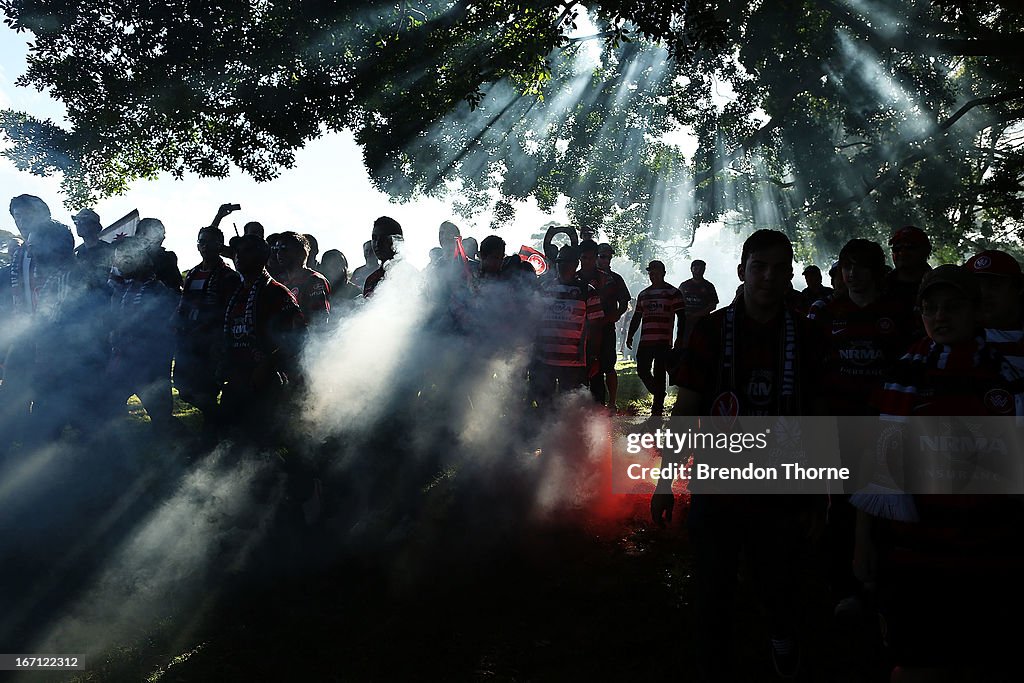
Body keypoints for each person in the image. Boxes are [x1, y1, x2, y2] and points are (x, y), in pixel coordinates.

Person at [658, 230, 822, 681]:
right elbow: (687, 410)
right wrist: (663, 481)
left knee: (780, 583)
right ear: (741, 272)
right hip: (719, 484)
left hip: (784, 484)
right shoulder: (711, 330)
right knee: (714, 587)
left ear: (790, 276)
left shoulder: (807, 335)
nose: (769, 277)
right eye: (759, 267)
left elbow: (816, 415)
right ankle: (712, 661)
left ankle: (783, 644)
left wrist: (818, 495)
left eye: (778, 269)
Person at [851, 264, 1024, 681]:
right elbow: (876, 471)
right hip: (915, 557)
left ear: (976, 311)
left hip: (990, 553)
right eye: (930, 309)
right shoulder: (903, 377)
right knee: (916, 664)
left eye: (952, 307)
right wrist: (862, 546)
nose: (940, 317)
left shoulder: (1007, 379)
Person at [219, 236, 306, 442]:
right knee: (227, 438)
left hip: (266, 382)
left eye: (247, 250)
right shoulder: (237, 292)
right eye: (237, 251)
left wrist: (267, 365)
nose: (239, 256)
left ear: (262, 257)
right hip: (237, 378)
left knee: (262, 444)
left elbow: (298, 337)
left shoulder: (276, 293)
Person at [105, 237, 179, 433]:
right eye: (119, 257)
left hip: (148, 357)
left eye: (128, 257)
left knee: (159, 409)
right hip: (124, 355)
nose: (122, 261)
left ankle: (179, 447)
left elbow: (168, 320)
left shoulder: (156, 288)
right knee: (111, 399)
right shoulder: (119, 288)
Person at [174, 226, 242, 438]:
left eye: (210, 242)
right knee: (183, 387)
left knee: (208, 388)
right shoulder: (193, 273)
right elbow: (184, 304)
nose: (205, 246)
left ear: (220, 246)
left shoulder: (228, 276)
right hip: (189, 340)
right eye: (201, 241)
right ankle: (218, 420)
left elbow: (227, 310)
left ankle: (213, 431)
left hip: (212, 341)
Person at [530, 245, 603, 408]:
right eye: (559, 261)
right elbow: (534, 322)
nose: (562, 265)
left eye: (567, 261)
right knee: (544, 404)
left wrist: (593, 357)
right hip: (545, 359)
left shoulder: (587, 291)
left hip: (574, 363)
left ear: (576, 264)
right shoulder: (545, 288)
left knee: (570, 407)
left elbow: (596, 327)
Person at [626, 260, 684, 416]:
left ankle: (657, 409)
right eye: (651, 273)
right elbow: (637, 317)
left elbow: (682, 318)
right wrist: (630, 335)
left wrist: (679, 338)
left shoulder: (673, 293)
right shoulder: (644, 294)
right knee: (642, 370)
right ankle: (659, 393)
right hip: (646, 340)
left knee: (659, 372)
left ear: (663, 273)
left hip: (663, 341)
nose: (653, 275)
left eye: (656, 272)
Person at [965, 249, 1024, 375]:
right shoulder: (961, 340)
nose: (983, 293)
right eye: (975, 286)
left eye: (994, 285)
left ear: (1019, 287)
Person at [593, 243, 631, 413]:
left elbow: (624, 301)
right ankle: (589, 402)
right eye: (602, 256)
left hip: (607, 327)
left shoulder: (615, 278)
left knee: (608, 366)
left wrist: (617, 314)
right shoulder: (586, 276)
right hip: (588, 328)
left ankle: (612, 402)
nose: (606, 260)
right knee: (588, 366)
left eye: (608, 256)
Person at [273, 231, 331, 328]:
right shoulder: (281, 282)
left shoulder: (314, 280)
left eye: (284, 249)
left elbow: (320, 320)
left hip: (307, 341)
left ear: (300, 252)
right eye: (277, 249)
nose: (279, 253)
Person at [884, 225, 931, 308]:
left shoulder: (936, 285)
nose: (902, 253)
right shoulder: (881, 285)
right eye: (897, 248)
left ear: (926, 250)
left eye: (909, 247)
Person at [135, 218, 184, 294]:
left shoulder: (168, 258)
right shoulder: (129, 260)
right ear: (142, 234)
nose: (163, 237)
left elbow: (176, 289)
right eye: (157, 232)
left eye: (163, 233)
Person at [678, 259, 719, 347]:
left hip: (703, 322)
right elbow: (677, 303)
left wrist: (696, 315)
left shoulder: (709, 286)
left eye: (701, 269)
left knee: (701, 346)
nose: (698, 271)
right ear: (691, 269)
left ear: (704, 270)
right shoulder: (684, 285)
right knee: (683, 346)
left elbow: (713, 305)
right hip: (685, 322)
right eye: (696, 268)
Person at [71, 208, 115, 291]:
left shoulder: (107, 250)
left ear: (94, 225)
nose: (78, 225)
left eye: (83, 221)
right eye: (76, 222)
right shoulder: (78, 253)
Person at [362, 216, 405, 298]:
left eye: (383, 238)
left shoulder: (410, 277)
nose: (377, 243)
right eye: (374, 238)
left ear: (397, 240)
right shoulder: (371, 280)